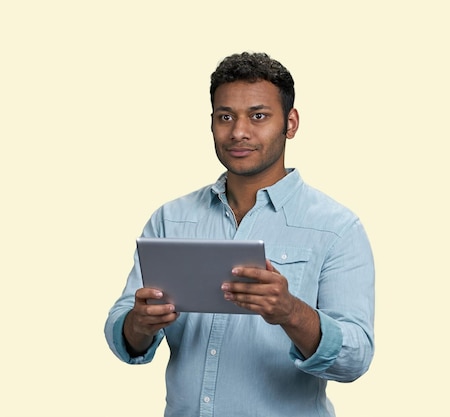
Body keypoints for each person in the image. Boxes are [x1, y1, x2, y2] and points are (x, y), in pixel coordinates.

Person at [104, 52, 375, 417]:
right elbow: (123, 330)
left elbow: (354, 358)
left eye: (258, 116)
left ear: (290, 124)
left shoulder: (337, 228)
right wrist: (138, 324)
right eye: (225, 117)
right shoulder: (171, 219)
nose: (238, 132)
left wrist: (290, 312)